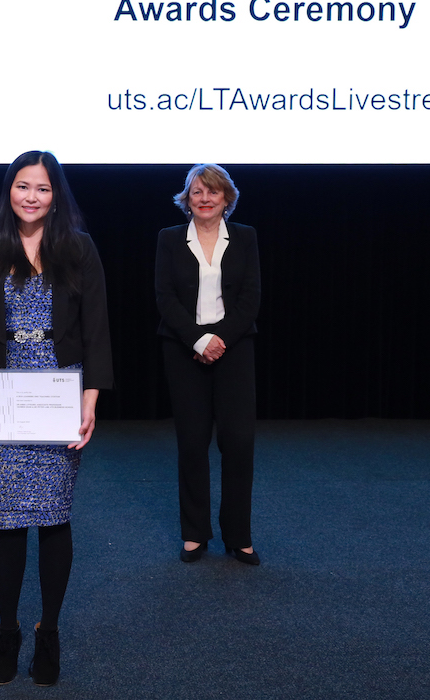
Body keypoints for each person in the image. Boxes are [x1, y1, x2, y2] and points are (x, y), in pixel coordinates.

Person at [0, 151, 113, 687]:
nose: (31, 196)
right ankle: (8, 630)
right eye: (22, 186)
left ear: (56, 195)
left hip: (59, 390)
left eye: (42, 189)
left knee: (54, 515)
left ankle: (50, 631)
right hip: (3, 392)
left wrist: (90, 398)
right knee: (8, 517)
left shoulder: (78, 248)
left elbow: (97, 328)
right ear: (9, 191)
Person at [155, 164, 261, 566]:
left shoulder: (246, 237)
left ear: (226, 198)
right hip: (183, 347)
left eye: (212, 192)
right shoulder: (168, 239)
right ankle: (194, 534)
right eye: (197, 191)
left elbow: (251, 298)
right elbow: (164, 296)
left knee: (237, 443)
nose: (204, 198)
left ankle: (240, 536)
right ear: (187, 198)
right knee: (192, 444)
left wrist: (220, 340)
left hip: (234, 347)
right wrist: (198, 339)